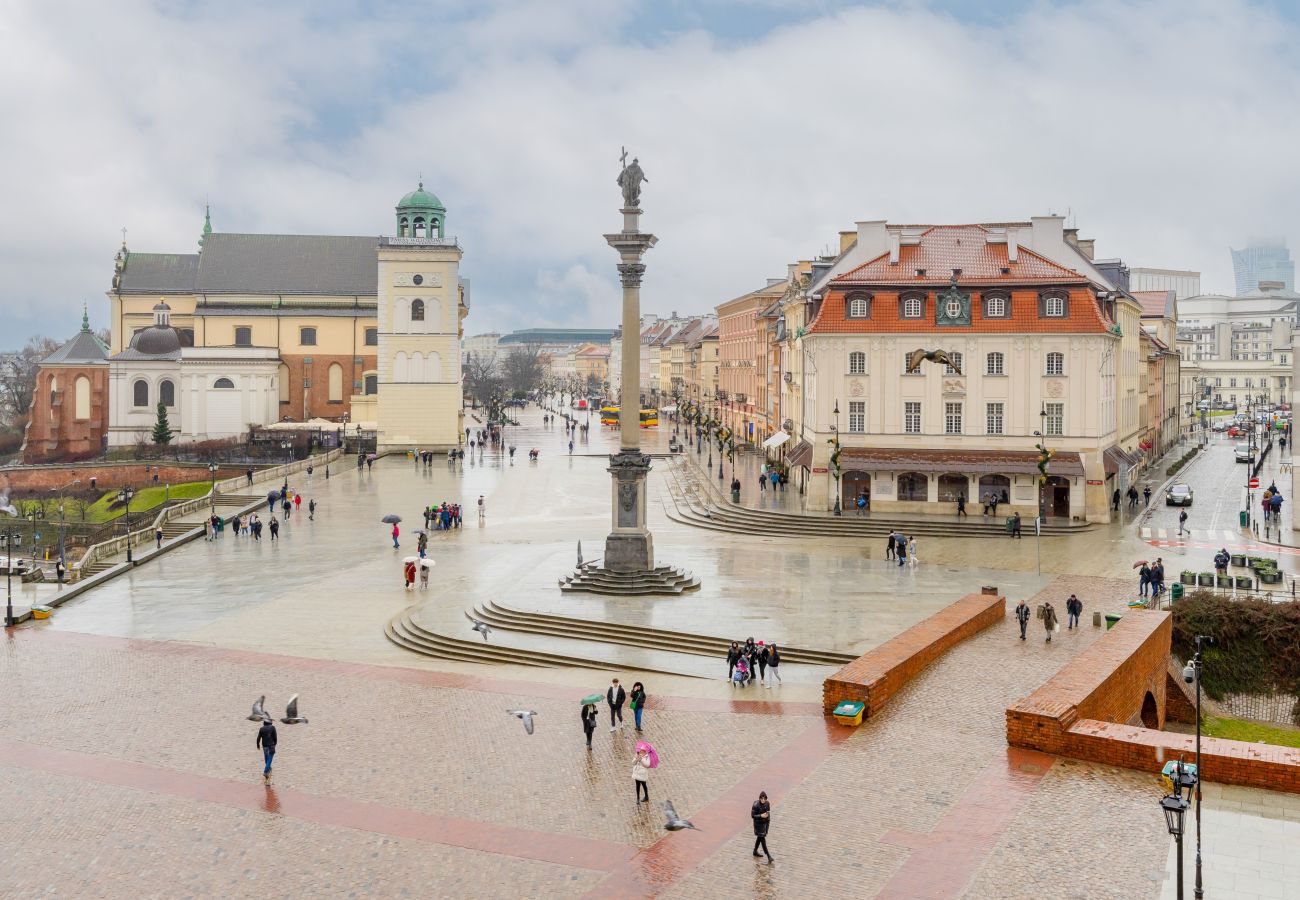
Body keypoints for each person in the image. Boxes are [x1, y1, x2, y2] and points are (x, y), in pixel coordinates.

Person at [751, 791, 773, 863]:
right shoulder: (756, 805)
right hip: (758, 825)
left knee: (759, 838)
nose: (763, 800)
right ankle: (768, 855)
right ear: (759, 798)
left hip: (764, 824)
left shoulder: (767, 804)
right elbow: (753, 816)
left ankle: (755, 851)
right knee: (762, 840)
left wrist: (767, 829)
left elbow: (768, 816)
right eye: (761, 798)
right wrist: (761, 815)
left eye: (764, 798)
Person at [257, 717, 278, 784]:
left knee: (267, 760)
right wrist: (274, 744)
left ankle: (268, 773)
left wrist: (258, 745)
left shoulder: (261, 729)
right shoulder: (272, 727)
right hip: (271, 746)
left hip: (265, 747)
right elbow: (275, 737)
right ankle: (266, 772)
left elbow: (258, 738)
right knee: (269, 760)